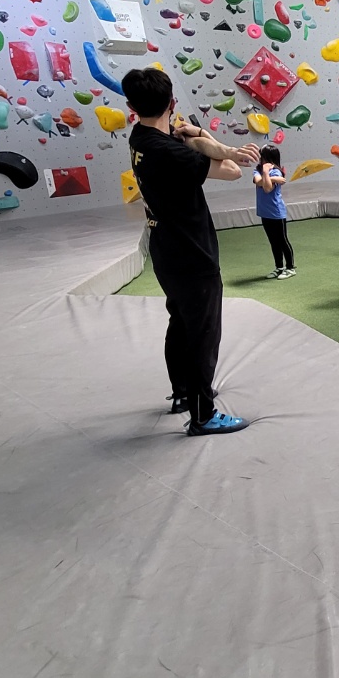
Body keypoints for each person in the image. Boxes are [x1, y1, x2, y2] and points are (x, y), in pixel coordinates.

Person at [125, 67, 260, 436]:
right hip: (192, 252)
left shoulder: (139, 138)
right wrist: (201, 134)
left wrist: (187, 136)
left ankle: (183, 393)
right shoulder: (171, 151)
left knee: (181, 323)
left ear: (132, 107)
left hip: (165, 249)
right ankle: (203, 414)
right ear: (172, 103)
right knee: (203, 333)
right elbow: (231, 169)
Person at [254, 144, 295, 279]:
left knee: (282, 240)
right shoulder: (257, 170)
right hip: (265, 213)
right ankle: (279, 267)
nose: (260, 158)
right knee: (273, 242)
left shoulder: (276, 171)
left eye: (262, 156)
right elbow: (258, 182)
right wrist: (272, 179)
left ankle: (290, 268)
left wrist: (267, 174)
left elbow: (267, 189)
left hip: (276, 212)